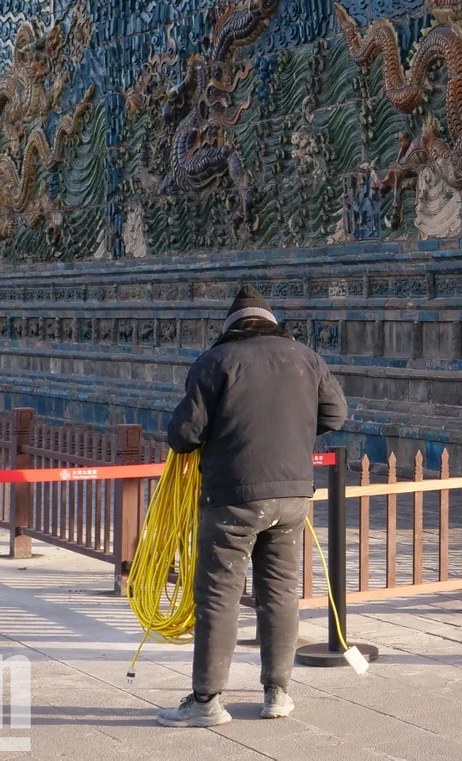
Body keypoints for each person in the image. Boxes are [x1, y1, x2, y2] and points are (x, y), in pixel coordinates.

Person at [158, 285, 348, 727]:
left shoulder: (215, 362)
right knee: (280, 592)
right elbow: (336, 415)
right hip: (293, 496)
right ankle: (277, 693)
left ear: (230, 327)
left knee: (220, 595)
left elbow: (185, 435)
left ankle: (206, 702)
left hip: (234, 497)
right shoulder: (305, 358)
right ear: (271, 323)